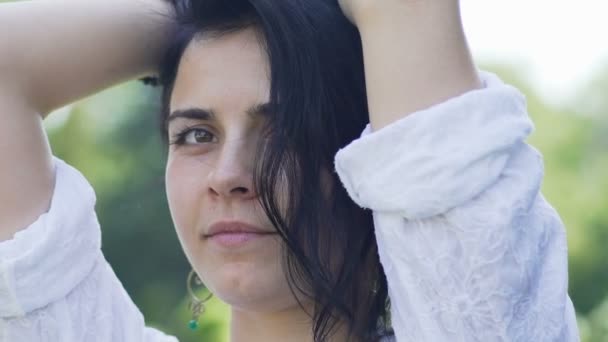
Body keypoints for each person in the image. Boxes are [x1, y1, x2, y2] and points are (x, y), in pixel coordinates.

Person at [0, 0, 580, 341]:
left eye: (287, 131)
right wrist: (200, 10)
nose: (228, 174)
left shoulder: (479, 323)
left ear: (378, 159)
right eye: (196, 134)